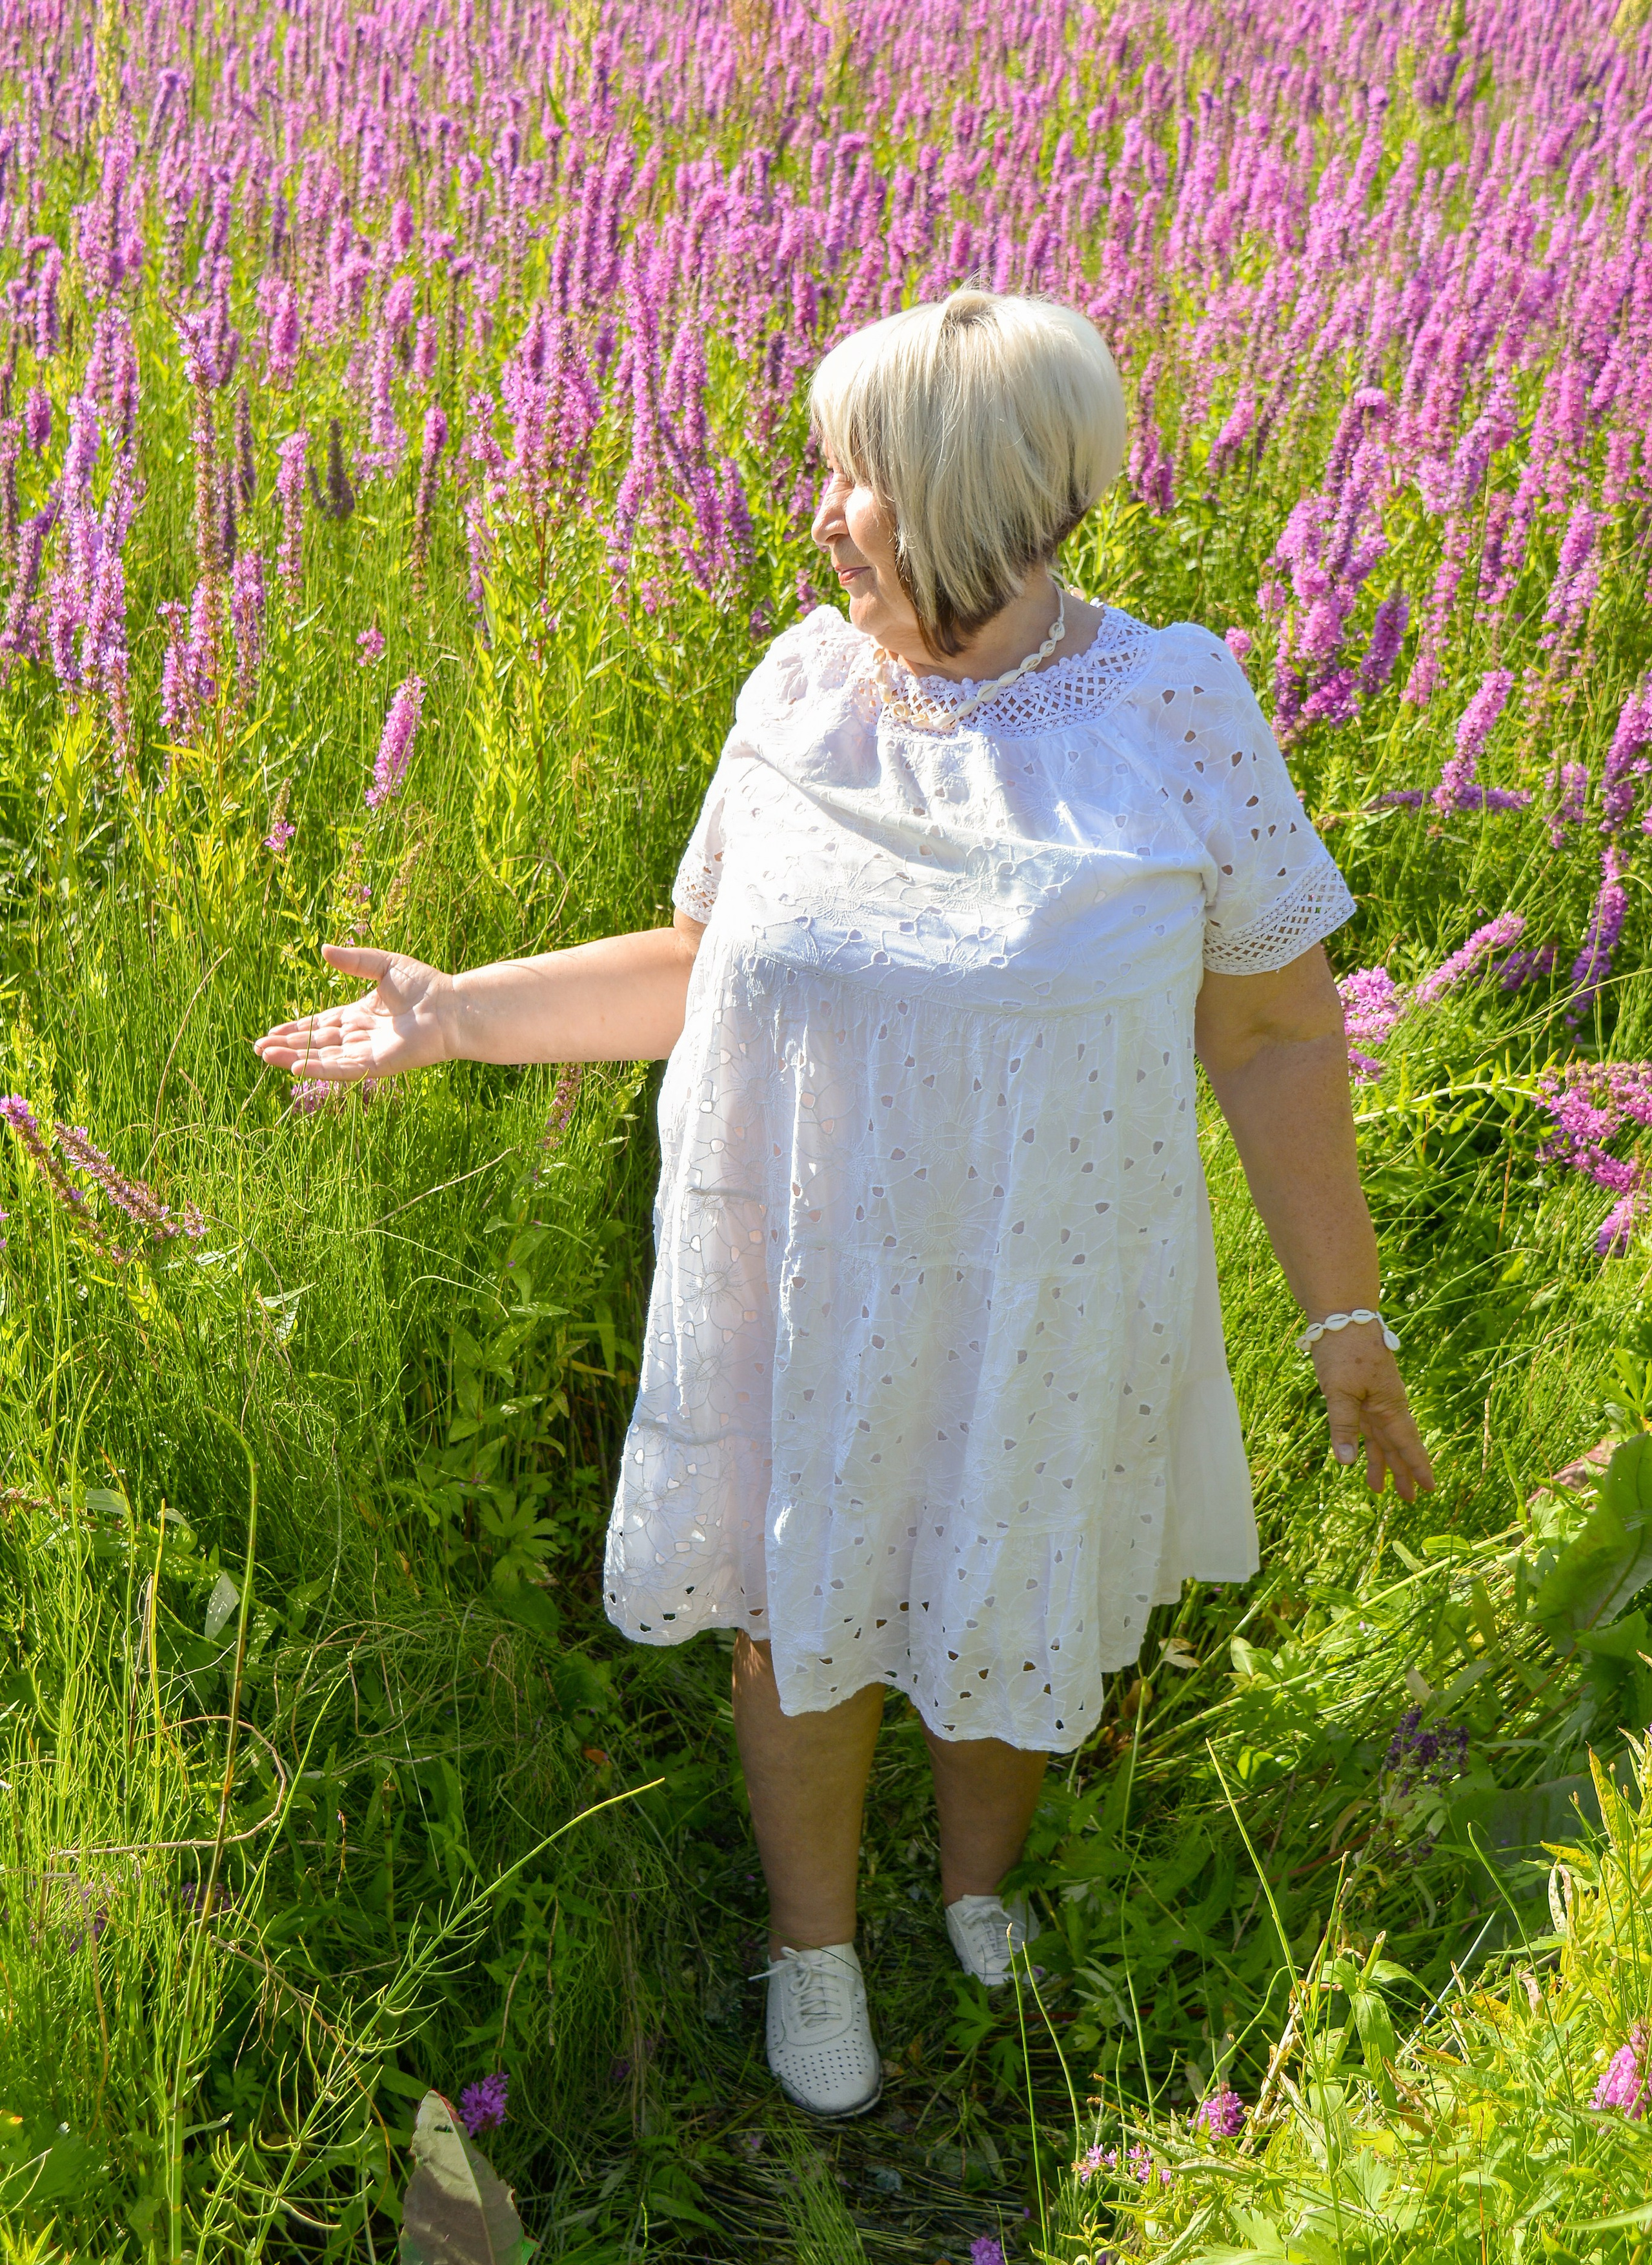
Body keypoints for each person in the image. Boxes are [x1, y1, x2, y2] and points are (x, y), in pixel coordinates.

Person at [256, 289, 1433, 2122]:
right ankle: (815, 1946)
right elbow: (705, 960)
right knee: (802, 1612)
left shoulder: (1173, 713)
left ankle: (975, 1890)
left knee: (1006, 1574)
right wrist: (458, 1017)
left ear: (972, 499)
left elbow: (1280, 1035)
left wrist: (1341, 1321)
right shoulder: (801, 689)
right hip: (808, 1275)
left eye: (851, 474)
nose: (814, 507)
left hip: (1051, 1285)